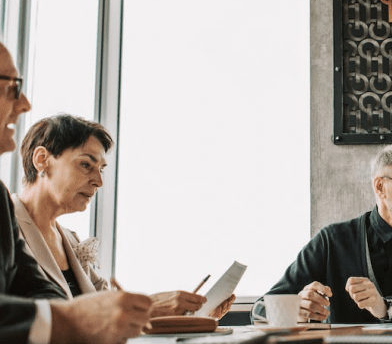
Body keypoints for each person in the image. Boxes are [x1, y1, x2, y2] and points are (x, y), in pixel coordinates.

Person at [0, 40, 152, 344]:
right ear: (42, 160)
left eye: (101, 169)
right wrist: (71, 323)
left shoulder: (1, 200)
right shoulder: (12, 214)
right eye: (11, 87)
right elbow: (70, 315)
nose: (25, 103)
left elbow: (48, 296)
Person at [13, 114, 233, 319]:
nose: (99, 181)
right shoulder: (7, 227)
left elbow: (105, 313)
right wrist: (150, 306)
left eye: (101, 169)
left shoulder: (70, 241)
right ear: (42, 160)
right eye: (86, 165)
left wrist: (187, 315)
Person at [261, 144, 392, 324]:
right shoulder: (331, 240)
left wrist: (386, 308)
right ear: (380, 187)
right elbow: (260, 310)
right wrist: (295, 308)